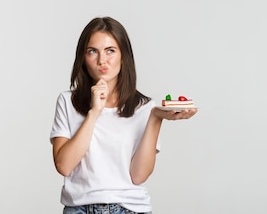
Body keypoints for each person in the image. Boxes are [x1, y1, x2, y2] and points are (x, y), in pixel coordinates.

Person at [49, 16, 197, 214]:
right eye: (93, 51)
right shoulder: (67, 102)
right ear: (83, 58)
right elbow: (64, 166)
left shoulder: (145, 107)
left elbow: (138, 175)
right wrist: (94, 112)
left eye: (110, 51)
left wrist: (156, 118)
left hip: (130, 209)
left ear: (123, 56)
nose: (102, 60)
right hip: (79, 209)